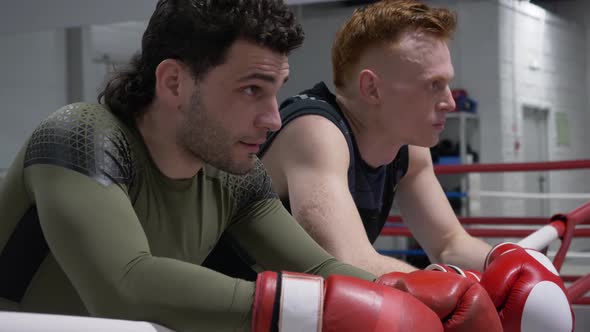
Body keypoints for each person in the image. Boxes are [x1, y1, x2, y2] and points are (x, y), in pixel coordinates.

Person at [0, 0, 504, 331]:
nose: (271, 117)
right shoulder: (81, 137)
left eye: (276, 91)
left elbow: (322, 268)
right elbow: (125, 286)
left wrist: (426, 293)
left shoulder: (233, 174)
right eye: (251, 90)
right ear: (174, 83)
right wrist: (325, 310)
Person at [203, 1, 574, 331]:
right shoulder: (315, 132)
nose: (450, 102)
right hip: (219, 313)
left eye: (448, 85)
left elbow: (447, 242)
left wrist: (507, 262)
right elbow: (349, 261)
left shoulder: (408, 147)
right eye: (433, 85)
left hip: (293, 311)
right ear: (372, 89)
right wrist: (464, 291)